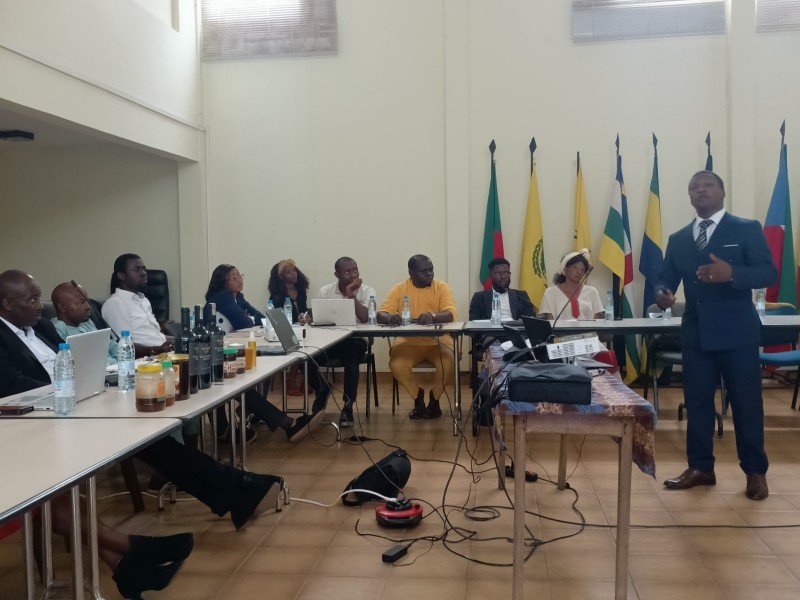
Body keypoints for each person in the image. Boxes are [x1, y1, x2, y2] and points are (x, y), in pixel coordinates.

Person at [0, 270, 287, 533]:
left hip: (81, 402)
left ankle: (237, 492)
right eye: (32, 299)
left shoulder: (40, 328)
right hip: (37, 424)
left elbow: (73, 360)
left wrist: (87, 380)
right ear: (7, 303)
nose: (39, 306)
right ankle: (239, 488)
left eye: (38, 298)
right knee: (152, 443)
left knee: (151, 438)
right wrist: (69, 385)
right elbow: (14, 385)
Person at [656, 171, 776, 501]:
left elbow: (768, 272)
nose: (700, 190)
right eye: (694, 187)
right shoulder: (679, 238)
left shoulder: (746, 228)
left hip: (738, 333)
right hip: (696, 333)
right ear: (689, 197)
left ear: (722, 192)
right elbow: (665, 277)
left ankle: (755, 472)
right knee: (697, 402)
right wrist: (662, 293)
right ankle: (700, 468)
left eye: (707, 185)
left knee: (746, 403)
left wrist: (733, 273)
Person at [204, 264, 326, 441]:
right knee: (245, 383)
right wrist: (249, 318)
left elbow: (262, 317)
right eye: (233, 277)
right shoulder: (222, 297)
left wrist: (250, 318)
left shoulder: (238, 298)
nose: (239, 280)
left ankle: (256, 414)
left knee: (263, 369)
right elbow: (245, 323)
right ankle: (284, 423)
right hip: (213, 358)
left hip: (230, 352)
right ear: (222, 282)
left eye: (240, 275)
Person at [377, 255, 456, 419]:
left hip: (438, 341)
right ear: (411, 273)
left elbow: (450, 314)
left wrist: (433, 316)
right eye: (424, 271)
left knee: (449, 363)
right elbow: (381, 314)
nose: (429, 274)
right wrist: (390, 318)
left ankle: (434, 399)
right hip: (408, 341)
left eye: (431, 270)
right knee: (397, 365)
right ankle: (417, 396)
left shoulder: (441, 287)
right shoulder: (399, 289)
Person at [316, 257, 372, 426]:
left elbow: (365, 318)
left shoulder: (368, 291)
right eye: (347, 272)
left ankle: (348, 405)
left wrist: (351, 294)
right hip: (331, 341)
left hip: (356, 340)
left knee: (351, 353)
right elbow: (319, 319)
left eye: (355, 270)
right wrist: (309, 318)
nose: (353, 275)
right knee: (307, 356)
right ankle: (322, 388)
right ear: (337, 275)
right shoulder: (325, 291)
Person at [101, 254, 174, 357]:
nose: (144, 273)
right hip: (147, 360)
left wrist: (180, 341)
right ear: (121, 275)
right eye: (137, 269)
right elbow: (124, 346)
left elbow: (154, 336)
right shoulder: (114, 304)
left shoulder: (144, 300)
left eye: (144, 269)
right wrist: (157, 350)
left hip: (163, 354)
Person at [51, 281, 118, 365]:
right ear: (62, 307)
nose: (88, 307)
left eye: (87, 301)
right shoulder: (57, 329)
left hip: (114, 367)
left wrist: (123, 356)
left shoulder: (86, 322)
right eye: (82, 302)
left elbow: (107, 343)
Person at [537, 249, 604, 321]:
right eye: (575, 267)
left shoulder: (592, 291)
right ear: (565, 269)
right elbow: (549, 323)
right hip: (560, 329)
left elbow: (599, 322)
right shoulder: (550, 293)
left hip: (589, 329)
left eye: (582, 269)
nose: (579, 272)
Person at [469, 257, 535, 321]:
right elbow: (474, 323)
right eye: (498, 273)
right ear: (490, 276)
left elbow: (531, 321)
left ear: (510, 274)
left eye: (506, 273)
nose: (503, 277)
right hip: (490, 328)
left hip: (514, 328)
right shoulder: (479, 297)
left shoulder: (521, 296)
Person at [268, 259, 311, 324]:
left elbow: (304, 311)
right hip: (286, 329)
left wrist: (306, 317)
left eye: (294, 270)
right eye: (288, 272)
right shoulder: (276, 297)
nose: (293, 273)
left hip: (302, 327)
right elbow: (277, 321)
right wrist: (297, 318)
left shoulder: (301, 292)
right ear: (281, 277)